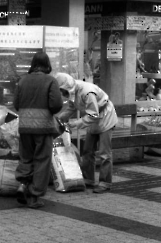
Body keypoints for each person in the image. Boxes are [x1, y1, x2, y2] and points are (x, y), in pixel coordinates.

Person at [13, 52, 63, 208]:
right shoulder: (50, 81)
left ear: (33, 64)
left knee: (26, 157)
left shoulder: (22, 81)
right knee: (41, 160)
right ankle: (34, 196)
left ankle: (22, 184)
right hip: (43, 127)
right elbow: (56, 105)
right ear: (47, 64)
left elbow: (16, 104)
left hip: (25, 126)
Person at [55, 73, 118, 194]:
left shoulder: (87, 92)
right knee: (88, 150)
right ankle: (88, 179)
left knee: (104, 153)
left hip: (105, 117)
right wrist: (61, 118)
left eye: (62, 91)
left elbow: (93, 114)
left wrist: (77, 123)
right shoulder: (74, 92)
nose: (62, 94)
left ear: (67, 87)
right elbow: (71, 108)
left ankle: (105, 182)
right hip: (93, 119)